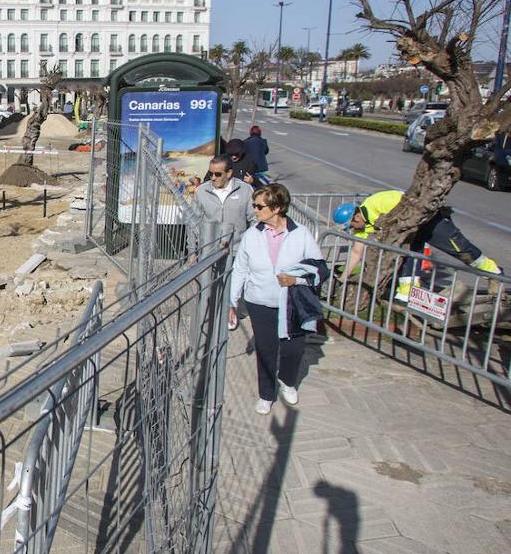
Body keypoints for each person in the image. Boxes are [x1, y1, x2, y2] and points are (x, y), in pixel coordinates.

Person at [229, 183, 324, 415]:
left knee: (293, 349)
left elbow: (320, 268)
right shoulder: (252, 235)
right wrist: (232, 301)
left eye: (259, 206)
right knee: (266, 349)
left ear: (278, 207)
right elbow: (240, 269)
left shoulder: (301, 234)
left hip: (292, 302)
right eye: (254, 205)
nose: (255, 210)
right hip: (259, 302)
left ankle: (288, 381)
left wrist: (296, 280)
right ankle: (266, 395)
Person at [333, 190, 502, 295]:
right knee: (409, 255)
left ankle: (493, 272)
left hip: (429, 221)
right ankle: (407, 292)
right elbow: (356, 252)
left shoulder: (378, 202)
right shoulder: (362, 227)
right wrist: (342, 278)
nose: (353, 230)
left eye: (352, 226)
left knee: (460, 248)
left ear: (355, 217)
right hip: (411, 231)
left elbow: (413, 204)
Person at [194, 154, 256, 249]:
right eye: (210, 174)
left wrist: (248, 245)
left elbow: (255, 220)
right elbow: (193, 223)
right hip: (207, 252)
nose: (213, 178)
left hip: (236, 251)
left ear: (229, 173)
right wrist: (192, 251)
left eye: (218, 174)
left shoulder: (245, 190)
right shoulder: (201, 191)